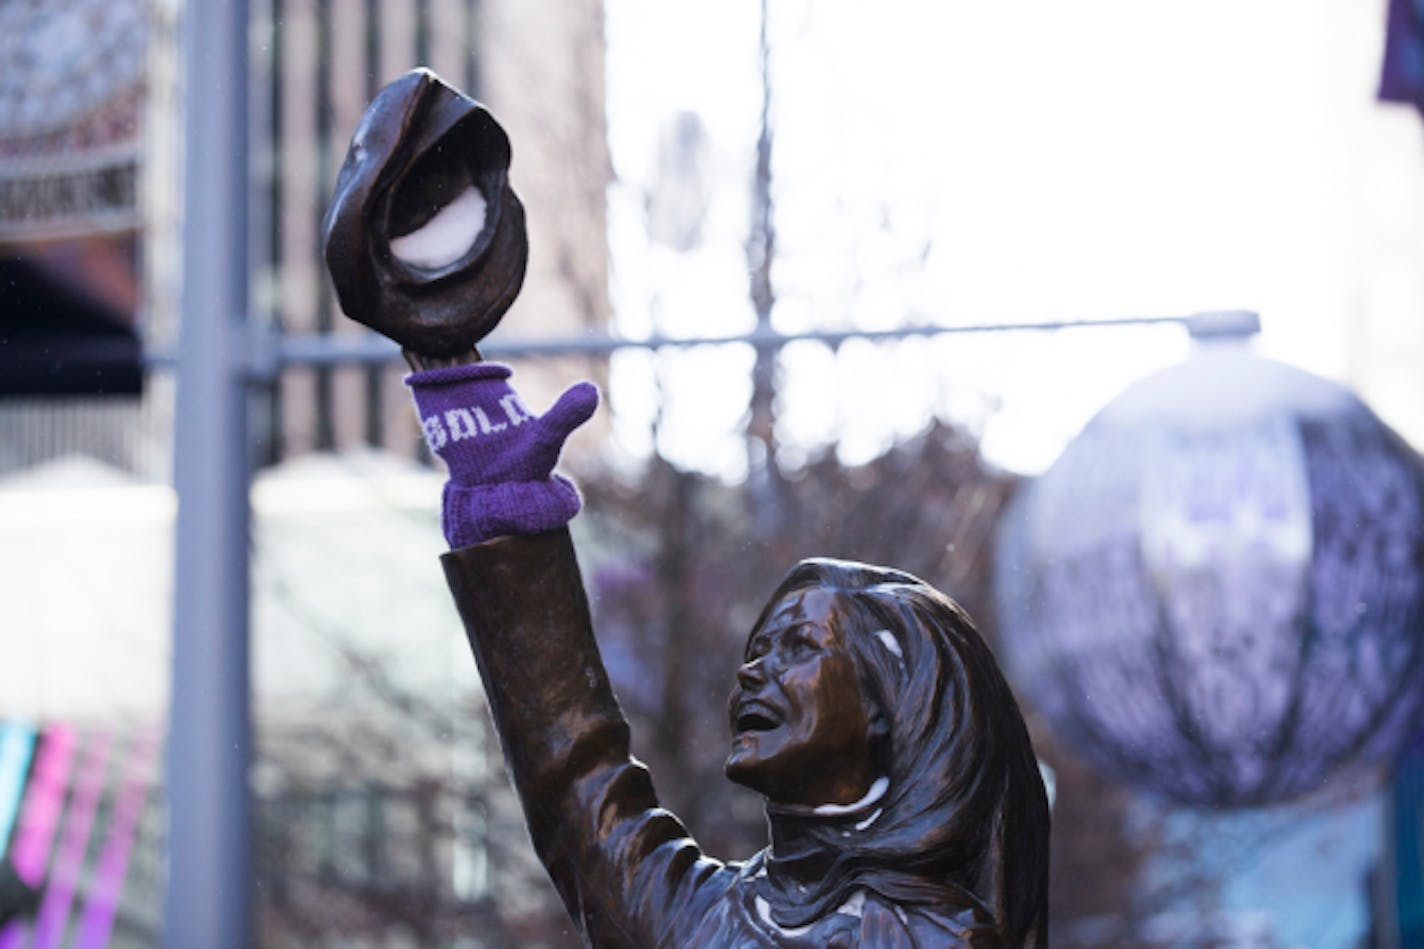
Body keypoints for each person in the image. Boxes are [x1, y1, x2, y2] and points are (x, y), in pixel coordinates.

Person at [408, 361, 1050, 947]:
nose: (751, 670)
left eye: (797, 647)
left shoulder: (935, 939)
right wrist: (500, 501)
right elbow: (575, 775)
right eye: (759, 646)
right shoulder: (705, 916)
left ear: (888, 706)